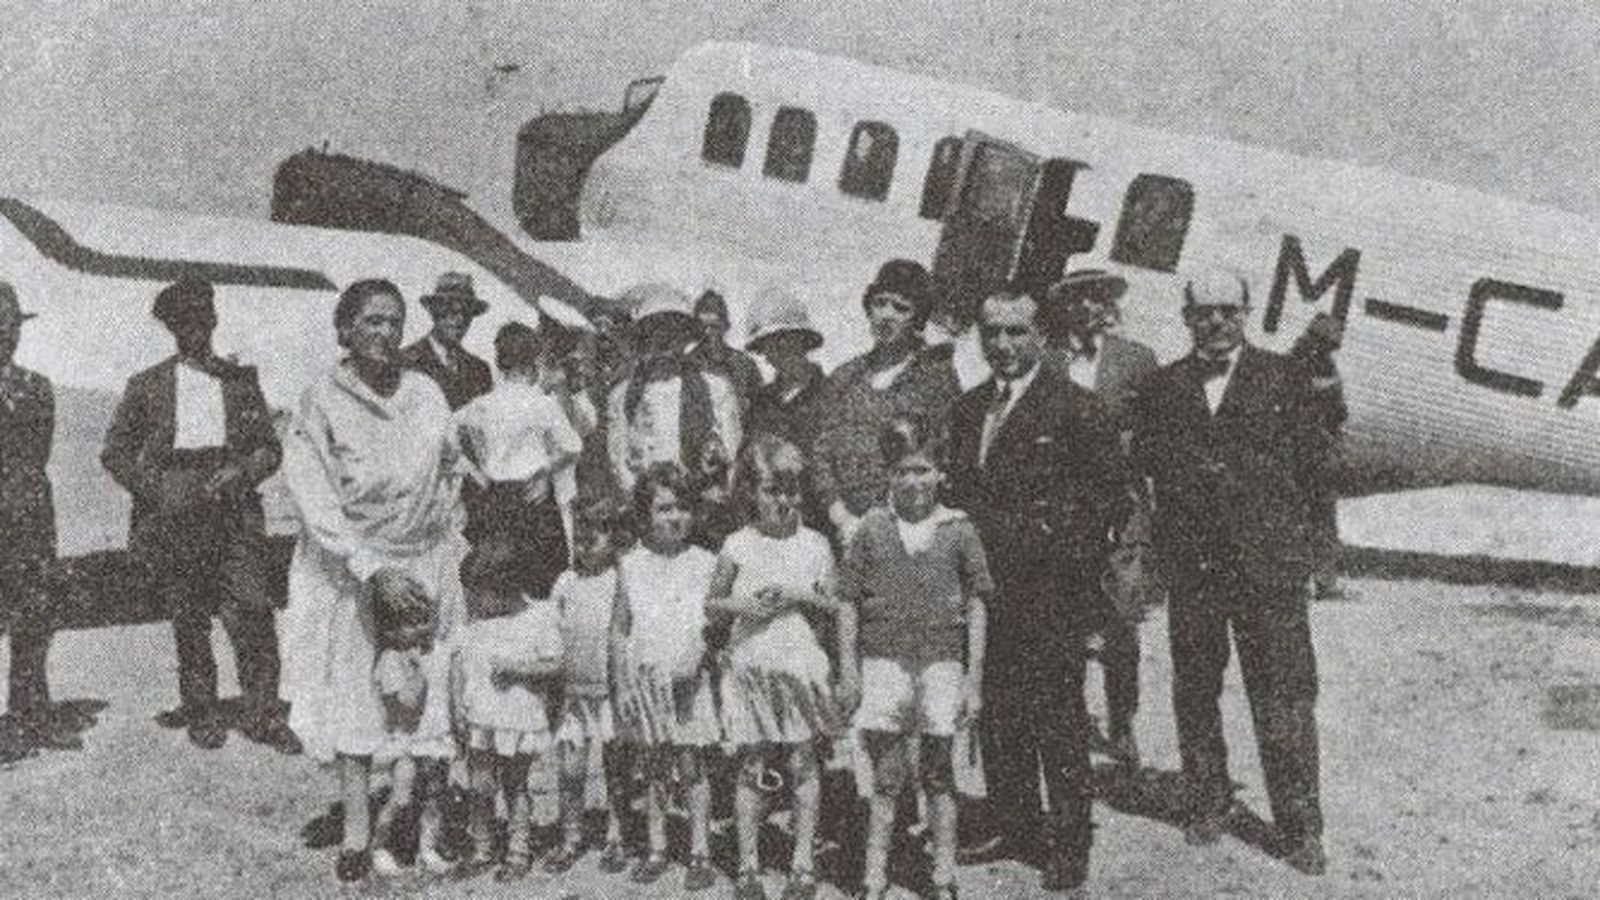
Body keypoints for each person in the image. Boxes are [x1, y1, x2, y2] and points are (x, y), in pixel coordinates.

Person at [1130, 269, 1332, 875]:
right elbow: (1147, 471)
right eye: (1204, 312)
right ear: (1186, 318)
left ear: (1246, 314)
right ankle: (1207, 802)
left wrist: (1316, 556)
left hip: (1268, 571)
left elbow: (1316, 472)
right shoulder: (1163, 387)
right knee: (1195, 690)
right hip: (1194, 570)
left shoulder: (1285, 378)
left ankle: (1299, 827)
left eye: (1227, 311)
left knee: (1284, 697)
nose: (1216, 322)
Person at [278, 278, 467, 882]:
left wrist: (441, 545)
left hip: (426, 562)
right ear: (345, 330)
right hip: (356, 570)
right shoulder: (320, 401)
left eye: (394, 322)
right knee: (357, 699)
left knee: (429, 699)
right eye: (372, 322)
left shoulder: (426, 393)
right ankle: (358, 833)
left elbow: (451, 467)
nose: (386, 333)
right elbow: (313, 496)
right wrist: (371, 568)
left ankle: (424, 823)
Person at [946, 287, 1129, 895]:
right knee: (999, 712)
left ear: (1042, 337)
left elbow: (1105, 502)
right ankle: (1014, 824)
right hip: (986, 595)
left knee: (1057, 719)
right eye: (992, 332)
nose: (1002, 344)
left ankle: (1070, 843)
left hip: (1050, 595)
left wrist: (1058, 567)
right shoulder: (970, 408)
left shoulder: (1077, 408)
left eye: (1016, 332)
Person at [101, 277, 296, 753]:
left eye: (202, 319)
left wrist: (242, 472)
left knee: (252, 609)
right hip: (176, 511)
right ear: (172, 328)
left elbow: (269, 448)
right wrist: (157, 488)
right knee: (189, 616)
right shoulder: (147, 385)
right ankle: (202, 712)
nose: (195, 328)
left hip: (233, 509)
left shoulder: (240, 381)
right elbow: (115, 452)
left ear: (213, 321)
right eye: (184, 322)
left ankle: (263, 713)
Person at [837, 416, 992, 900]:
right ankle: (874, 875)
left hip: (942, 664)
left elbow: (977, 603)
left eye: (922, 470)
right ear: (887, 474)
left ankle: (943, 875)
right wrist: (848, 669)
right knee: (886, 778)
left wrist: (973, 680)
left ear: (941, 473)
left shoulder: (959, 529)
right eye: (902, 471)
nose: (912, 482)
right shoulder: (871, 528)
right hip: (883, 663)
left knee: (938, 775)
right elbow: (847, 601)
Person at [450, 320, 580, 880]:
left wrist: (476, 471)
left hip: (498, 499)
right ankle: (531, 686)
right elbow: (574, 444)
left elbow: (450, 437)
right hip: (528, 498)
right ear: (532, 361)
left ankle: (519, 683)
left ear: (501, 359)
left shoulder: (480, 405)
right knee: (532, 594)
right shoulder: (541, 402)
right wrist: (547, 471)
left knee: (497, 590)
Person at [706, 434, 840, 900]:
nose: (783, 501)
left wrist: (799, 595)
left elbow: (835, 605)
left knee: (803, 761)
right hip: (753, 669)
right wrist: (745, 605)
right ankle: (748, 864)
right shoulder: (738, 544)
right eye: (771, 491)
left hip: (799, 667)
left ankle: (802, 862)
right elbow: (713, 605)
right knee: (754, 762)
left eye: (791, 491)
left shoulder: (815, 544)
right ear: (751, 492)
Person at [1042, 269, 1162, 770]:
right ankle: (1064, 716)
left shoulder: (1136, 360)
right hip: (1065, 508)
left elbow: (1157, 432)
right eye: (1080, 299)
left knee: (1121, 619)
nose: (1091, 308)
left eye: (1099, 298)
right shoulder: (1045, 360)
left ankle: (1122, 721)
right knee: (1062, 616)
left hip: (1121, 508)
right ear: (1064, 307)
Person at [609, 462, 721, 891]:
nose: (675, 517)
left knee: (692, 765)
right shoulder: (631, 565)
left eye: (683, 507)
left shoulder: (706, 563)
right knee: (654, 765)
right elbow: (619, 630)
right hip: (648, 680)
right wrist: (622, 685)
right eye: (664, 508)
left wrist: (702, 658)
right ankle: (657, 847)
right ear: (645, 515)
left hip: (690, 682)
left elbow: (716, 626)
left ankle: (700, 851)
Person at [813, 260, 960, 547]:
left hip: (906, 535)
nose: (887, 316)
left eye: (901, 308)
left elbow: (943, 458)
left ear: (918, 318)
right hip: (841, 530)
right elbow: (821, 451)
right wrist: (840, 516)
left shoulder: (936, 380)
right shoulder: (845, 377)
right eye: (880, 303)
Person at [0, 281, 70, 750]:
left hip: (29, 514)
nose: (7, 334)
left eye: (12, 325)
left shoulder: (38, 387)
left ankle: (28, 714)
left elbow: (37, 453)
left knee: (34, 617)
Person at [545, 497, 631, 876]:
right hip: (573, 694)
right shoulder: (566, 582)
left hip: (610, 692)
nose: (584, 546)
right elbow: (552, 633)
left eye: (594, 538)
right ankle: (571, 836)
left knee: (616, 767)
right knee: (570, 769)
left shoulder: (621, 580)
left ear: (614, 538)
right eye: (579, 538)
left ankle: (616, 834)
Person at [606, 283, 742, 497]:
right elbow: (619, 459)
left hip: (702, 499)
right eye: (655, 331)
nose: (664, 340)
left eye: (673, 331)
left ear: (685, 336)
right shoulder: (623, 395)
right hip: (647, 502)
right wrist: (644, 499)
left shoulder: (716, 389)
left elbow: (732, 453)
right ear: (644, 338)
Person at [1290, 313, 1351, 601]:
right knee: (1323, 521)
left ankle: (1296, 581)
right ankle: (1325, 583)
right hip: (1320, 455)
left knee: (1294, 519)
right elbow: (1340, 413)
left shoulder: (1290, 365)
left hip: (1295, 455)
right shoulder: (1327, 370)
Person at [398, 271, 493, 411]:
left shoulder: (480, 370)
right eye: (450, 310)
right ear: (433, 312)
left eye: (466, 312)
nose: (459, 320)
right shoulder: (404, 361)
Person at [688, 289, 763, 410]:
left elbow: (761, 408)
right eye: (703, 327)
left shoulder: (744, 364)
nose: (708, 333)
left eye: (714, 327)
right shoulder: (687, 365)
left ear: (725, 326)